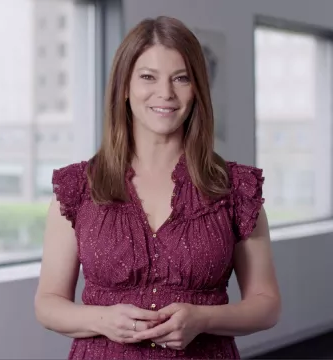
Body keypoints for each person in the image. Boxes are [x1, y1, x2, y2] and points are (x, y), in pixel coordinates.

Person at [34, 15, 281, 360]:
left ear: (196, 90)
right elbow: (48, 303)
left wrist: (204, 318)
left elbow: (266, 305)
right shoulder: (79, 188)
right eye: (148, 77)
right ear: (124, 87)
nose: (165, 93)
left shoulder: (235, 190)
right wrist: (103, 320)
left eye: (181, 78)